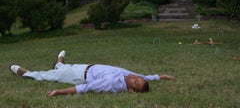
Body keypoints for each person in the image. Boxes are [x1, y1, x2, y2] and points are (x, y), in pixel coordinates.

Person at [9, 50, 175, 96]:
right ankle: (59, 63)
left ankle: (27, 74)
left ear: (131, 90)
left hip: (80, 76)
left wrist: (59, 91)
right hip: (87, 67)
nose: (136, 77)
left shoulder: (111, 84)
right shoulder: (130, 76)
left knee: (51, 75)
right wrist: (162, 77)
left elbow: (84, 89)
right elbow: (146, 77)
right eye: (138, 78)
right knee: (63, 68)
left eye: (136, 82)